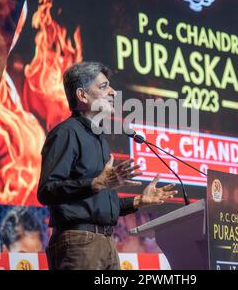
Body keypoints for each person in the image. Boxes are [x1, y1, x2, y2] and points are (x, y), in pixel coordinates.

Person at [37, 61, 178, 270]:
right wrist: (95, 184)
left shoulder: (99, 139)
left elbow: (101, 205)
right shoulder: (66, 133)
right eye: (103, 87)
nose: (112, 92)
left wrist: (140, 200)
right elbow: (46, 191)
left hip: (107, 244)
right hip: (79, 243)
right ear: (82, 96)